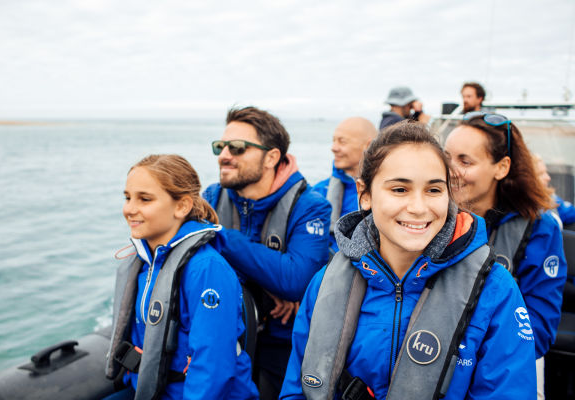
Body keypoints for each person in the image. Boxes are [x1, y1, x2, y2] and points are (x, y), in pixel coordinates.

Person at [280, 121, 536, 399]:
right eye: (399, 190)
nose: (418, 207)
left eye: (434, 190)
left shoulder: (494, 290)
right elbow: (296, 389)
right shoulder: (326, 283)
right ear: (364, 194)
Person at [105, 154, 259, 400]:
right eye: (127, 197)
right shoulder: (145, 263)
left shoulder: (207, 270)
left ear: (182, 206)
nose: (130, 209)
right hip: (150, 389)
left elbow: (213, 366)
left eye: (144, 199)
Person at [203, 106, 331, 399]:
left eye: (237, 148)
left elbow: (296, 281)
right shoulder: (211, 196)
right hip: (225, 335)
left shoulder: (310, 206)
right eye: (220, 147)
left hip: (282, 342)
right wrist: (268, 279)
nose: (224, 155)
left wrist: (220, 234)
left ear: (271, 157)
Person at [444, 113, 567, 399]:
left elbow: (539, 327)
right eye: (446, 157)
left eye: (465, 161)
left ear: (501, 167)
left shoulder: (539, 228)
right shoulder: (430, 217)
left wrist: (468, 356)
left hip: (508, 365)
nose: (450, 170)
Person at [314, 117, 378, 254]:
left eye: (342, 141)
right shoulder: (318, 192)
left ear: (368, 145)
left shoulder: (385, 192)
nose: (334, 148)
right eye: (333, 141)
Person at [533, 153, 575, 227]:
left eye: (546, 172)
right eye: (541, 174)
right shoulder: (526, 209)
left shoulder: (550, 198)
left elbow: (569, 212)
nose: (548, 178)